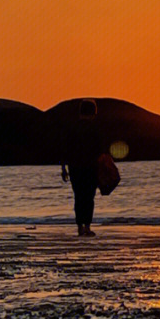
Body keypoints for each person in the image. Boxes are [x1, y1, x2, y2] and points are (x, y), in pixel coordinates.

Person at [61, 99, 102, 237]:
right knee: (89, 198)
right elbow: (99, 151)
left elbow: (65, 149)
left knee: (78, 197)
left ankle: (80, 227)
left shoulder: (72, 128)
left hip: (75, 168)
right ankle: (87, 226)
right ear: (93, 112)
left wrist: (63, 168)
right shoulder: (94, 129)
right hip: (90, 167)